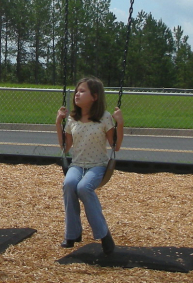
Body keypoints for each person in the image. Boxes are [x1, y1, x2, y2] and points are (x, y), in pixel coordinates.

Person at [55, 76, 124, 256]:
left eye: (82, 91)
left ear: (94, 97)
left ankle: (104, 235)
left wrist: (120, 123)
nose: (77, 94)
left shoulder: (105, 118)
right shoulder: (72, 119)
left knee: (84, 187)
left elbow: (115, 146)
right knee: (69, 184)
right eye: (77, 91)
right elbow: (65, 147)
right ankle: (72, 234)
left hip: (98, 166)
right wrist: (58, 123)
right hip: (77, 165)